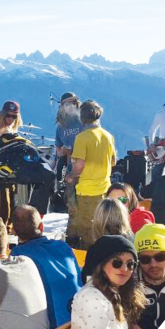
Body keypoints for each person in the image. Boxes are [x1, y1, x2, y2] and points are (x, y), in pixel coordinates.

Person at [10, 206, 83, 329]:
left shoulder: (18, 257)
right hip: (81, 321)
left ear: (14, 232)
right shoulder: (63, 247)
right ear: (42, 227)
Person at [65, 100, 116, 248]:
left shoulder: (82, 138)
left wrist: (71, 176)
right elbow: (113, 161)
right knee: (101, 227)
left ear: (82, 117)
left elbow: (79, 164)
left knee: (86, 231)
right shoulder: (108, 136)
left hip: (86, 190)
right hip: (105, 189)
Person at [0, 101, 23, 226]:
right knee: (4, 196)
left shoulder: (12, 128)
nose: (11, 119)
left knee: (13, 195)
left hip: (12, 167)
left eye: (14, 116)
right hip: (0, 167)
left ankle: (11, 223)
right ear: (3, 115)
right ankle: (4, 225)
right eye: (9, 115)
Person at [54, 93, 84, 183]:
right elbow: (58, 150)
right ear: (62, 107)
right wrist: (65, 151)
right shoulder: (60, 127)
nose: (71, 106)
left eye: (73, 103)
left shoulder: (84, 121)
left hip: (87, 171)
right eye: (67, 104)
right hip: (71, 173)